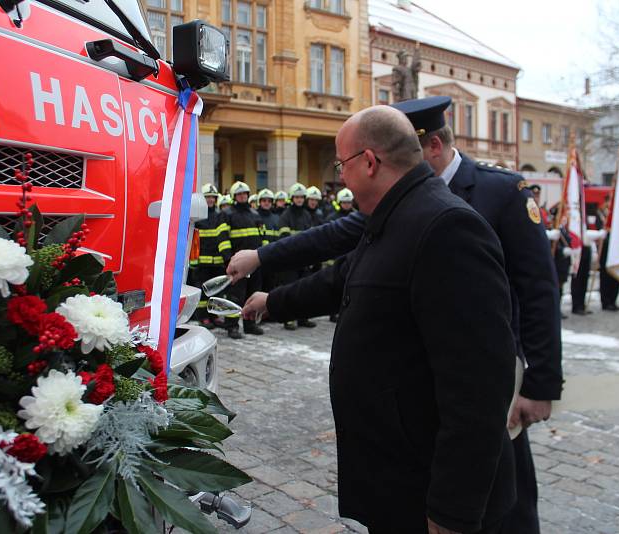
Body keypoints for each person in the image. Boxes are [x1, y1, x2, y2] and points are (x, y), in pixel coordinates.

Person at [228, 96, 562, 534]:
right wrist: (274, 301)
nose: (339, 177)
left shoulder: (447, 223)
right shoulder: (394, 212)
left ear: (369, 162)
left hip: (431, 463)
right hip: (402, 462)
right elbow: (344, 277)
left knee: (507, 510)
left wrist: (453, 510)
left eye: (341, 165)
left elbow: (478, 383)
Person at [216, 181, 265, 339]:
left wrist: (264, 257)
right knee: (235, 296)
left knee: (252, 294)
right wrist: (228, 259)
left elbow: (263, 237)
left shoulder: (255, 214)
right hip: (238, 264)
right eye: (239, 194)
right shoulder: (227, 214)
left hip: (255, 263)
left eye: (244, 194)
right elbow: (222, 239)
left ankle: (250, 324)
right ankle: (232, 327)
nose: (242, 196)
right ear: (234, 196)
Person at [277, 183, 318, 330]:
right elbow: (284, 239)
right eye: (297, 197)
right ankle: (288, 319)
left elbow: (313, 237)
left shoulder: (307, 215)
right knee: (289, 290)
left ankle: (303, 318)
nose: (299, 200)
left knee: (304, 290)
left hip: (305, 259)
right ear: (292, 198)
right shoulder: (286, 216)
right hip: (291, 260)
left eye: (301, 197)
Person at [190, 183, 222, 329]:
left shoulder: (220, 215)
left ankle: (214, 315)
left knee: (216, 291)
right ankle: (203, 317)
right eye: (208, 197)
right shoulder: (198, 217)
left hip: (217, 261)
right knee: (203, 291)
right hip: (202, 262)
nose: (210, 200)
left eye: (212, 198)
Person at [257, 188, 280, 292]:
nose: (266, 203)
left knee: (271, 288)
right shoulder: (255, 216)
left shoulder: (276, 218)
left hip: (273, 258)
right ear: (259, 202)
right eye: (264, 201)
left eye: (269, 201)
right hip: (258, 259)